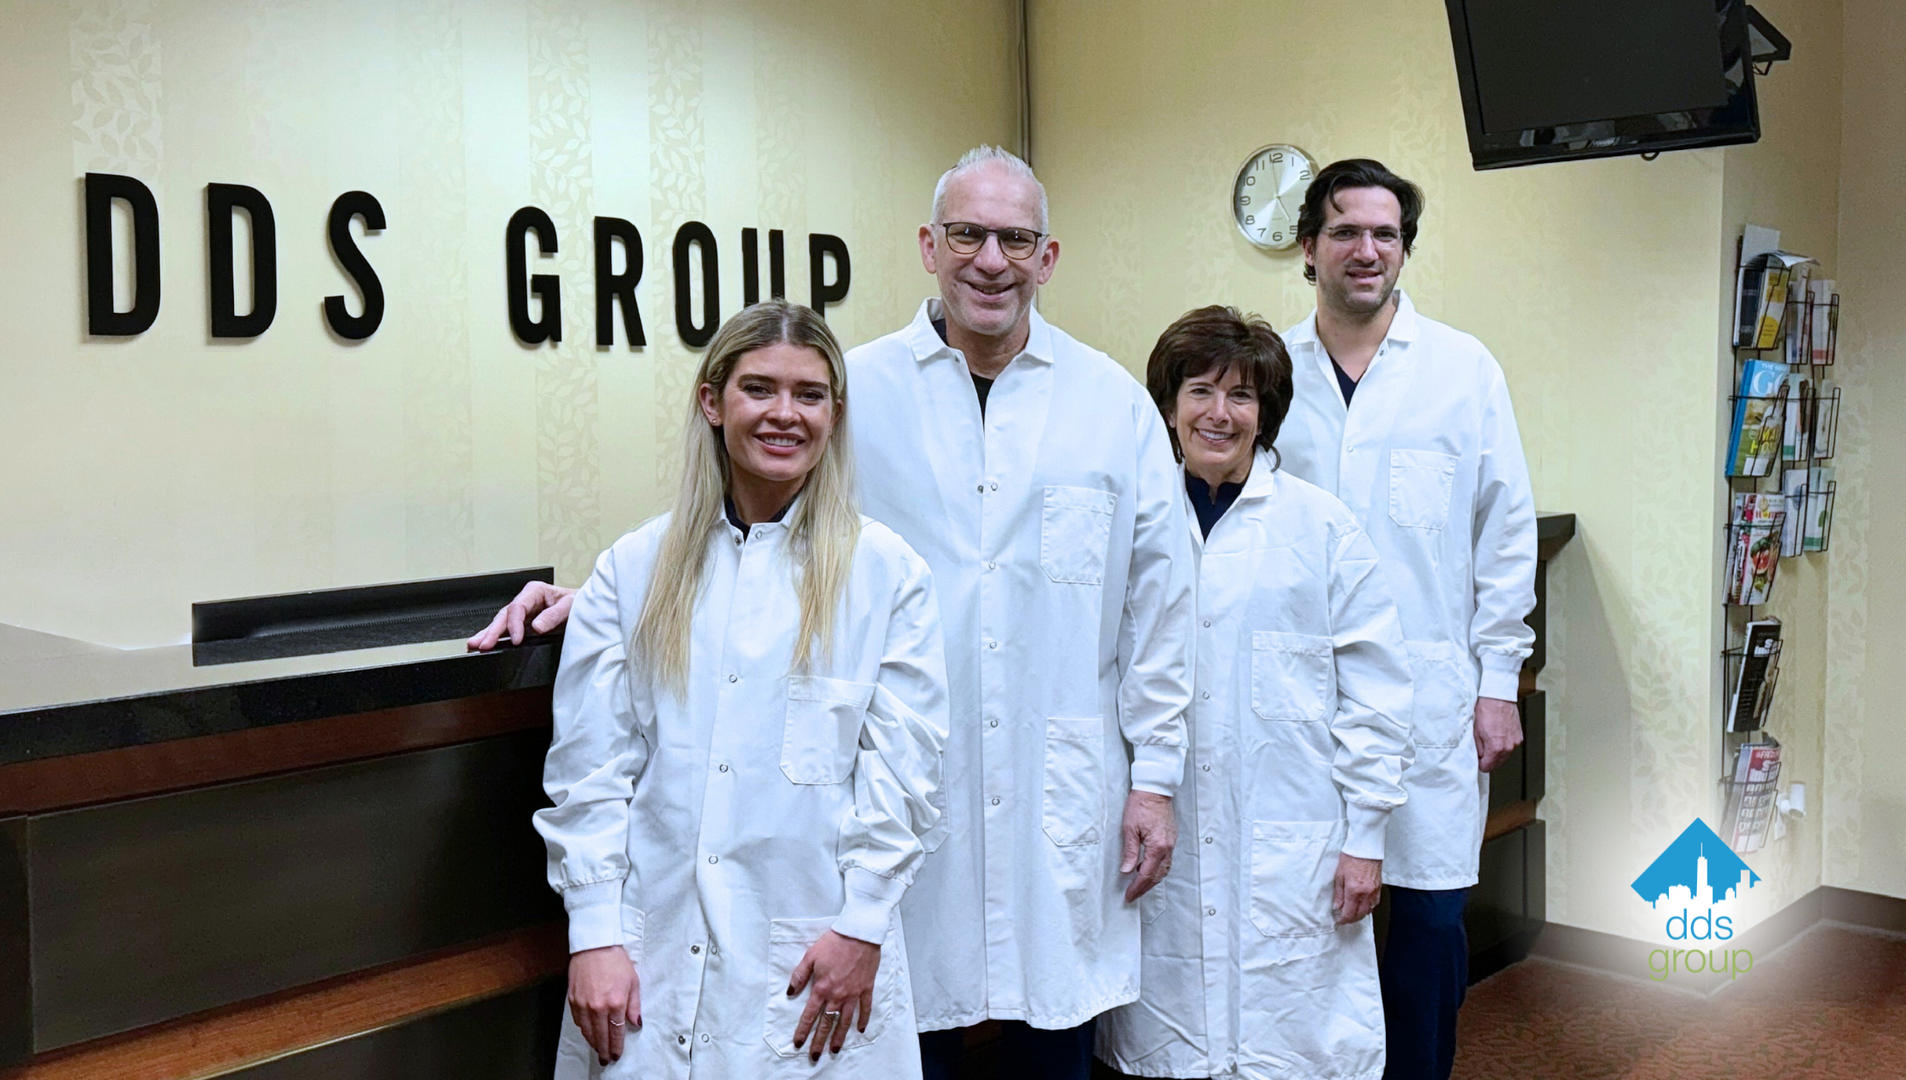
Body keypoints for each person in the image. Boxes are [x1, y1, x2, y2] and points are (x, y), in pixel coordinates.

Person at [478, 146, 1195, 1080]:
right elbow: (752, 512)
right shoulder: (855, 386)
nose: (991, 260)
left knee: (1047, 1032)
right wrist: (602, 596)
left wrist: (1157, 775)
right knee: (892, 1024)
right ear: (930, 247)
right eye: (969, 235)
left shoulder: (1112, 405)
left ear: (1047, 258)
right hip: (875, 818)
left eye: (1016, 239)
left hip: (1049, 784)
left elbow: (1162, 599)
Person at [534, 300, 950, 1078]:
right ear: (712, 401)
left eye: (810, 394)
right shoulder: (633, 570)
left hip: (816, 964)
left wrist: (861, 927)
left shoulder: (887, 576)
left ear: (835, 412)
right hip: (643, 964)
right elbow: (591, 770)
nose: (784, 414)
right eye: (759, 389)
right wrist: (593, 933)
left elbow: (906, 780)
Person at [1097, 306, 1412, 1080]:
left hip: (1296, 839)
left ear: (1266, 412)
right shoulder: (1130, 523)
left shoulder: (1321, 529)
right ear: (1167, 405)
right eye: (1198, 390)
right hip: (1156, 825)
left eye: (1241, 395)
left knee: (1297, 1043)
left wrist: (1365, 837)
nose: (1218, 413)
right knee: (1167, 1045)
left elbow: (1377, 693)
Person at [1274, 160, 1537, 1080]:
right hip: (1296, 698)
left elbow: (1505, 536)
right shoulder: (1268, 371)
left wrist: (1499, 684)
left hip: (1429, 699)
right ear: (1308, 248)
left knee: (1427, 923)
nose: (1367, 250)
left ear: (1404, 251)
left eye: (1385, 234)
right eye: (1345, 231)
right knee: (1309, 917)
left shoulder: (1462, 371)